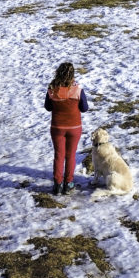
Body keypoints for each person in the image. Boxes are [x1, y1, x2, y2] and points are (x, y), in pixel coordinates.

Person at [45, 61, 89, 195]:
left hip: (57, 127)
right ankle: (68, 183)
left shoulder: (52, 88)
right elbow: (84, 108)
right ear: (72, 74)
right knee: (70, 156)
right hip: (74, 127)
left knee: (59, 155)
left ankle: (57, 185)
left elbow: (48, 107)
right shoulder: (78, 90)